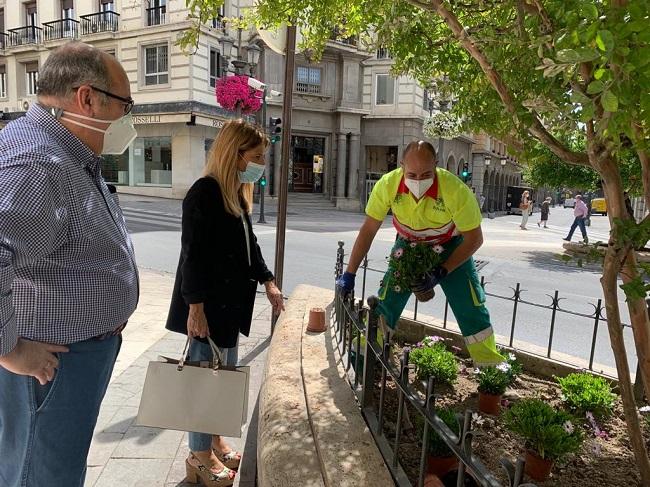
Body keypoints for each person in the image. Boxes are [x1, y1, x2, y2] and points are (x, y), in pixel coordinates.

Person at [0, 43, 139, 486]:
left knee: (49, 466)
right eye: (124, 104)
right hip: (52, 363)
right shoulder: (41, 162)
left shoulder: (62, 151)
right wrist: (9, 350)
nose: (126, 118)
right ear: (87, 98)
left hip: (71, 355)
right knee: (42, 472)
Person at [166, 120, 285, 487]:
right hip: (207, 307)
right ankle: (199, 456)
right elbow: (192, 256)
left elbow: (250, 248)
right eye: (257, 155)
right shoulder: (204, 193)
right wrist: (195, 308)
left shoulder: (236, 193)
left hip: (230, 308)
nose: (261, 162)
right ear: (235, 154)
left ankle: (214, 441)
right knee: (205, 382)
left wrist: (268, 281)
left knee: (221, 380)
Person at [336, 141, 503, 366]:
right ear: (401, 166)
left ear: (436, 165)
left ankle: (490, 369)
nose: (418, 181)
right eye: (411, 174)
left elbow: (475, 239)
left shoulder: (455, 190)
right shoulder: (388, 185)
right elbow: (368, 230)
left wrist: (441, 272)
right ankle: (364, 357)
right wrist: (350, 273)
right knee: (388, 301)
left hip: (452, 246)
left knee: (470, 307)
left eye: (426, 174)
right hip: (408, 245)